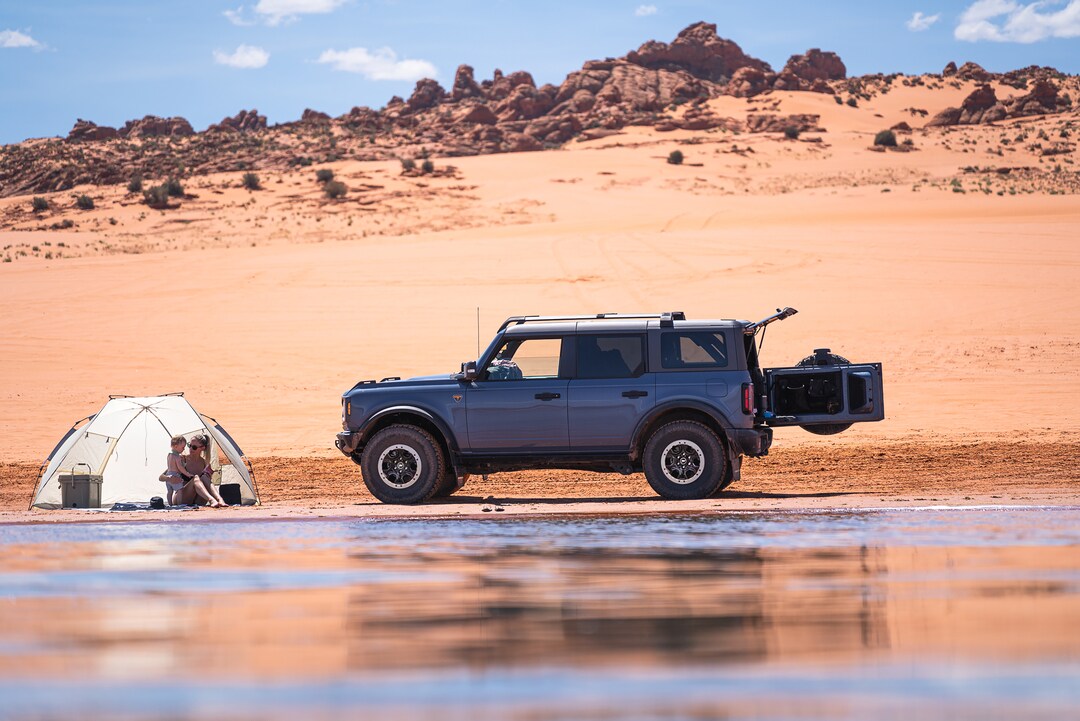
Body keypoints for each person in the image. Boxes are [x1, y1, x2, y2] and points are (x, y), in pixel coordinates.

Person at [183, 434, 228, 508]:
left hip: (198, 500)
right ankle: (212, 500)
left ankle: (219, 499)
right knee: (196, 478)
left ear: (202, 448)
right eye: (189, 445)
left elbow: (209, 482)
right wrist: (169, 478)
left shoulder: (204, 463)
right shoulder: (182, 459)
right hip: (182, 497)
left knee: (205, 477)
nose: (190, 449)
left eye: (194, 447)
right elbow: (162, 477)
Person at [160, 435, 194, 506]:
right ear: (176, 446)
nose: (183, 449)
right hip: (175, 475)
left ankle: (170, 504)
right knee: (179, 491)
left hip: (168, 474)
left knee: (170, 491)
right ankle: (179, 504)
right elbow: (180, 468)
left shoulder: (169, 455)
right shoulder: (177, 457)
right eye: (182, 447)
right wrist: (188, 474)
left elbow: (171, 466)